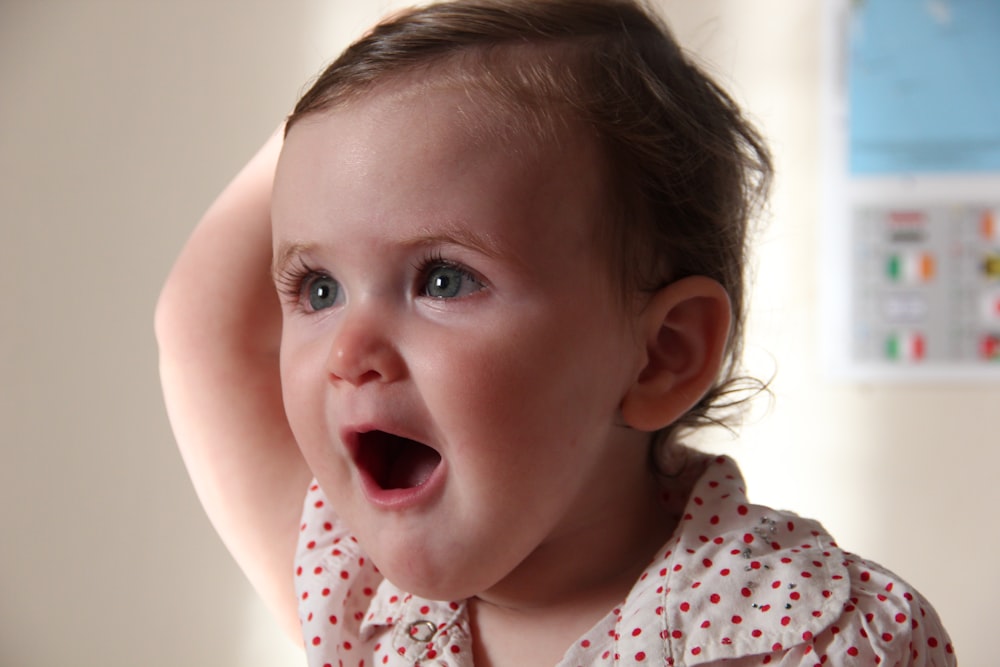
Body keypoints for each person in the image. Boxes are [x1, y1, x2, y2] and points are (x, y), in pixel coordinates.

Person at [155, 1, 956, 665]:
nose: (348, 351)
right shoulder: (361, 597)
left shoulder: (817, 639)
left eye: (442, 278)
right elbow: (203, 325)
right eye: (318, 286)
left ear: (663, 353)